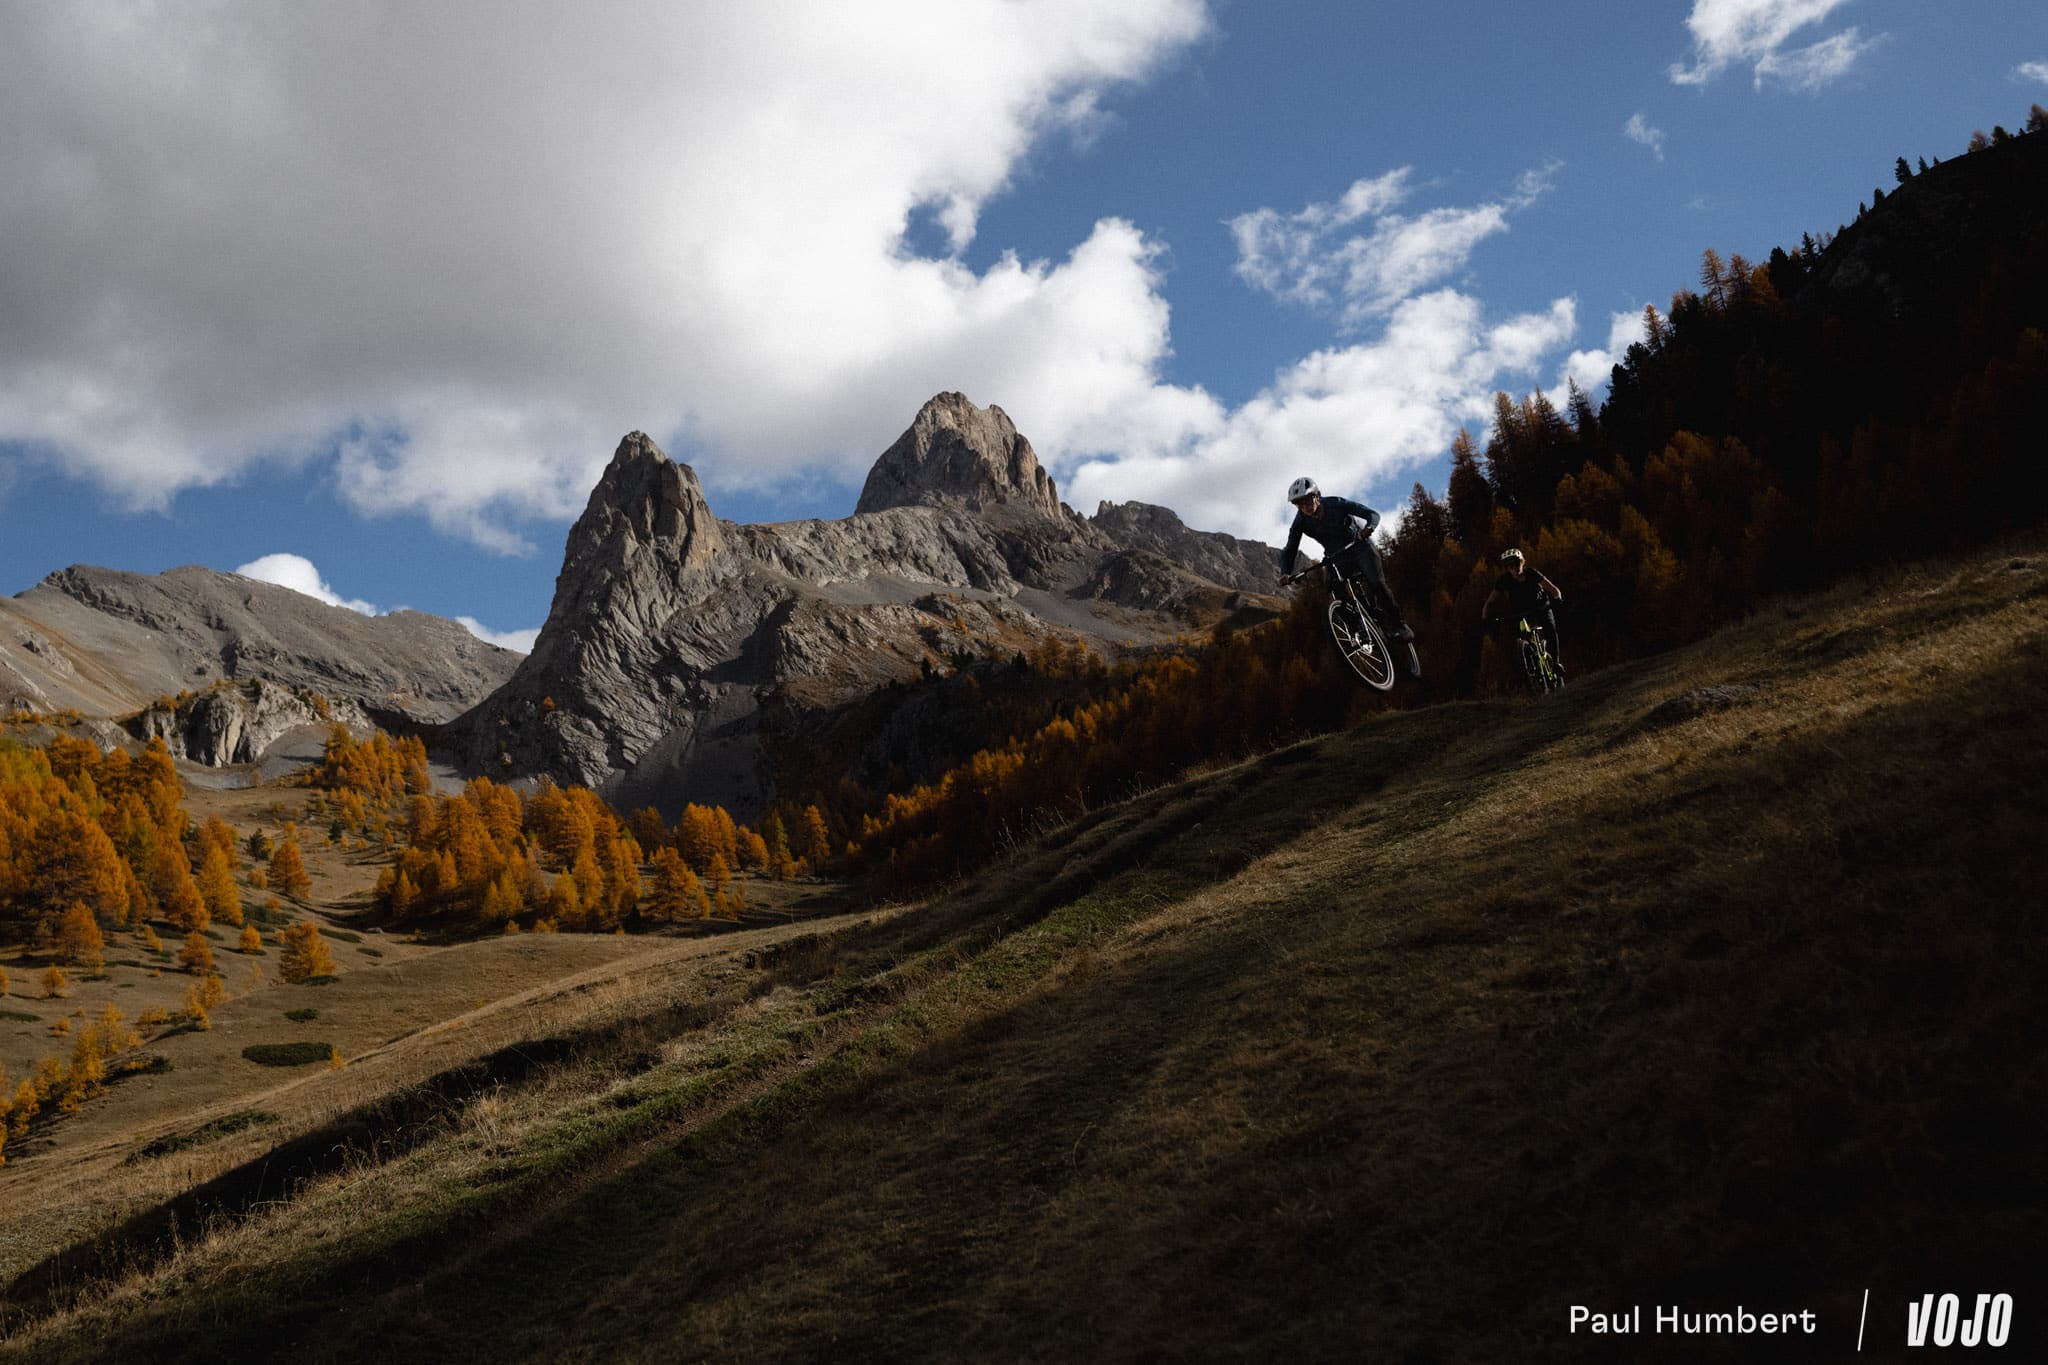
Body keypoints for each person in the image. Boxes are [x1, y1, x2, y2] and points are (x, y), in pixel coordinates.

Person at [1277, 477, 1412, 640]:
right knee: (1332, 587)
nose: (1304, 507)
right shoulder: (1300, 522)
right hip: (1336, 557)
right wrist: (1285, 572)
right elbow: (1291, 548)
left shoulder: (1336, 504)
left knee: (1377, 583)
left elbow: (1372, 514)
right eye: (1298, 504)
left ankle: (1399, 625)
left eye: (1306, 501)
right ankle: (1357, 627)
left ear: (1317, 496)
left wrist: (1369, 527)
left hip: (1360, 547)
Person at [1483, 548, 1563, 674]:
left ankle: (1556, 663)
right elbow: (1490, 602)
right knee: (1512, 635)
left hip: (1541, 607)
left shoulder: (1532, 573)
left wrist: (1557, 599)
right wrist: (1486, 618)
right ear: (1507, 569)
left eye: (1517, 564)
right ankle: (1528, 661)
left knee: (1550, 630)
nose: (1514, 568)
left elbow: (1553, 589)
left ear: (1522, 563)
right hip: (1520, 612)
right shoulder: (1504, 581)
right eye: (1510, 566)